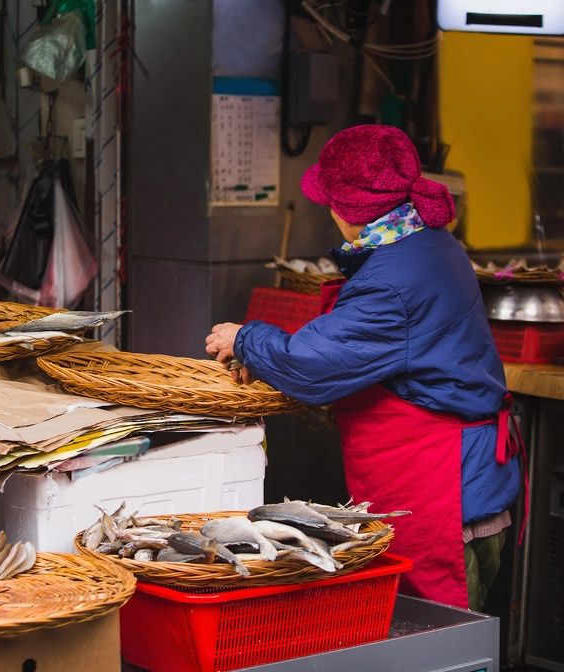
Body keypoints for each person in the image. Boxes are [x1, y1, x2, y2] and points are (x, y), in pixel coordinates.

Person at [204, 125, 522, 612]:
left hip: (442, 492)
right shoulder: (427, 241)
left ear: (345, 210)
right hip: (465, 476)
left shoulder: (393, 278)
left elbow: (313, 364)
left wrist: (244, 339)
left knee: (438, 640)